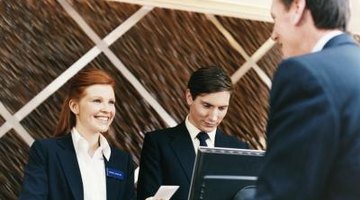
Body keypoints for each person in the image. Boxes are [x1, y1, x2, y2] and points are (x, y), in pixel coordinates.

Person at [254, 0, 360, 199]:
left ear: (297, 8)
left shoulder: (303, 74)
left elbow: (284, 193)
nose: (273, 35)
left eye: (275, 18)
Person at [19, 68, 135, 200]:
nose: (106, 109)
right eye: (97, 101)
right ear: (75, 106)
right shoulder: (46, 152)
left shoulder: (122, 161)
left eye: (111, 102)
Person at [137, 66, 249, 200]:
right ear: (189, 97)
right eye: (207, 106)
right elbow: (146, 195)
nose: (213, 117)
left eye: (222, 108)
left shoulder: (240, 149)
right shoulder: (158, 143)